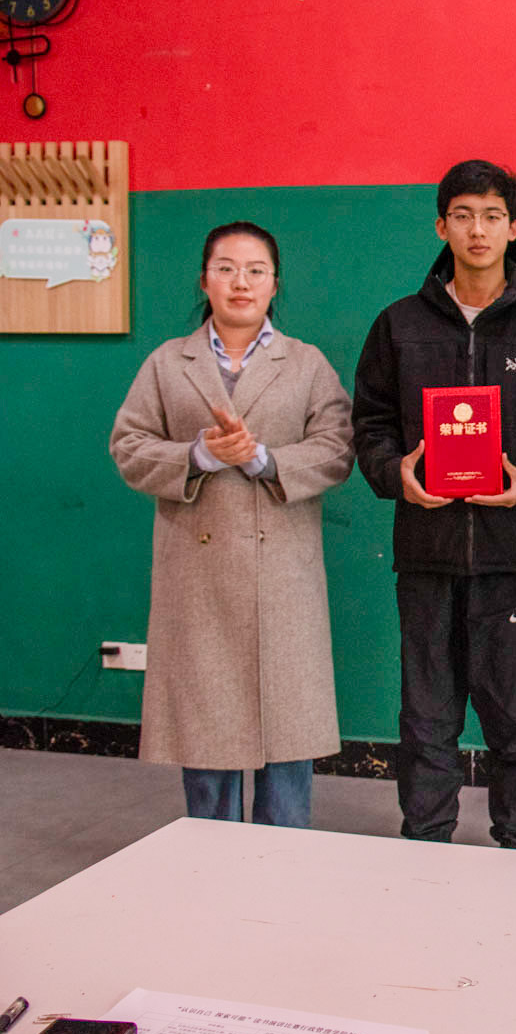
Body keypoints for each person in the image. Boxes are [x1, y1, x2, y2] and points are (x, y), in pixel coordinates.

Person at [351, 160, 516, 849]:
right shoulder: (398, 325)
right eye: (463, 215)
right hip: (425, 557)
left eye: (493, 216)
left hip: (512, 559)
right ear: (442, 226)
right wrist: (395, 474)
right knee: (426, 719)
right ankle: (426, 842)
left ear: (514, 227)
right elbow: (369, 423)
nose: (477, 230)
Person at [110, 221, 354, 826]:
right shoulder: (169, 362)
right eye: (225, 269)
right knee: (207, 737)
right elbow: (128, 446)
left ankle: (283, 860)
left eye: (255, 270)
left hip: (283, 578)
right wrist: (198, 455)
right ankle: (210, 861)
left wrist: (263, 460)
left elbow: (337, 447)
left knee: (288, 740)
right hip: (199, 581)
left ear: (275, 284)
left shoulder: (305, 363)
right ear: (204, 280)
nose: (240, 282)